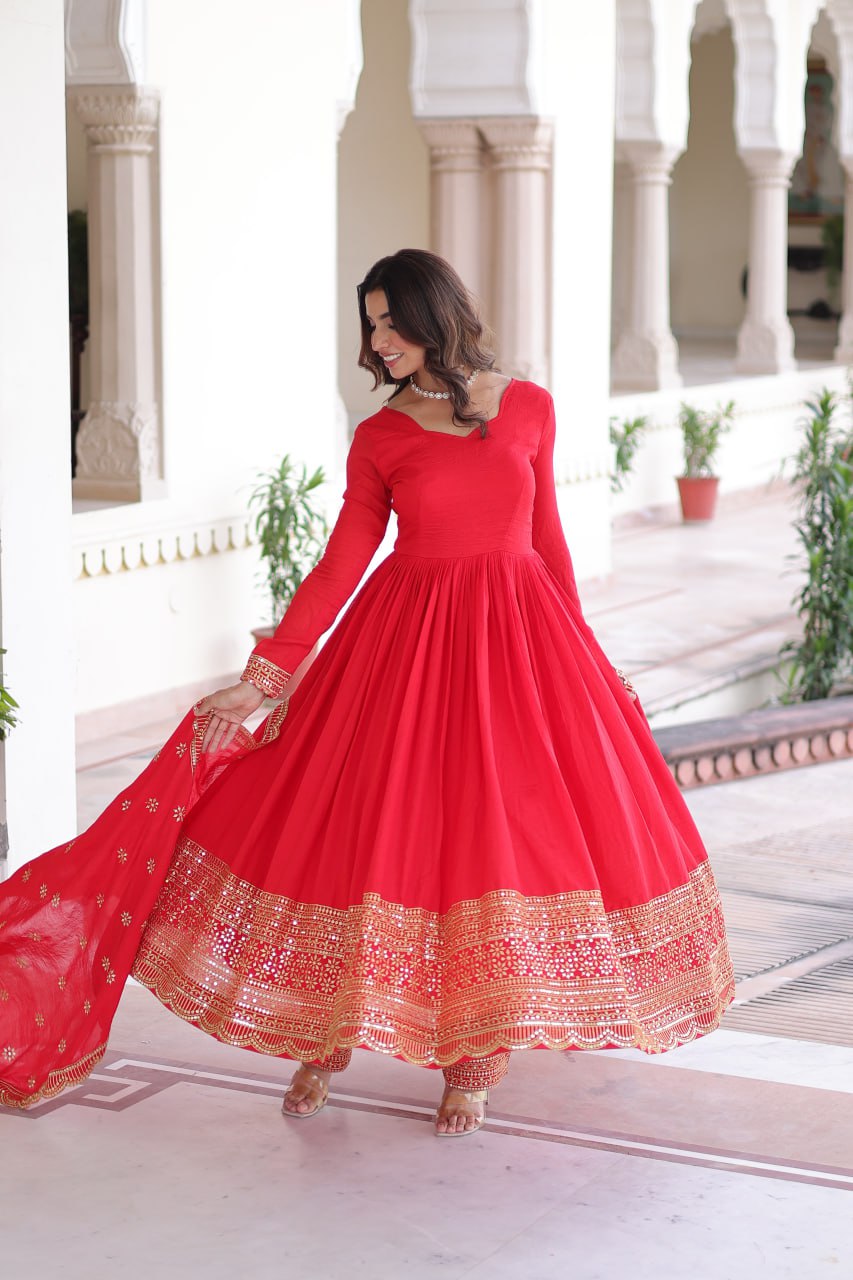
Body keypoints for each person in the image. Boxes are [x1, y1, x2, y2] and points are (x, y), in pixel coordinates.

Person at [0, 249, 734, 1136]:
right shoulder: (381, 436)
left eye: (390, 321)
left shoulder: (529, 407)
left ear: (435, 315)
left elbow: (548, 544)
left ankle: (473, 1057)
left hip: (518, 646)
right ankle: (328, 1031)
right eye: (371, 324)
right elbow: (341, 564)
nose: (377, 340)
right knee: (363, 829)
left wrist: (587, 665)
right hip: (405, 649)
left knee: (488, 836)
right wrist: (264, 678)